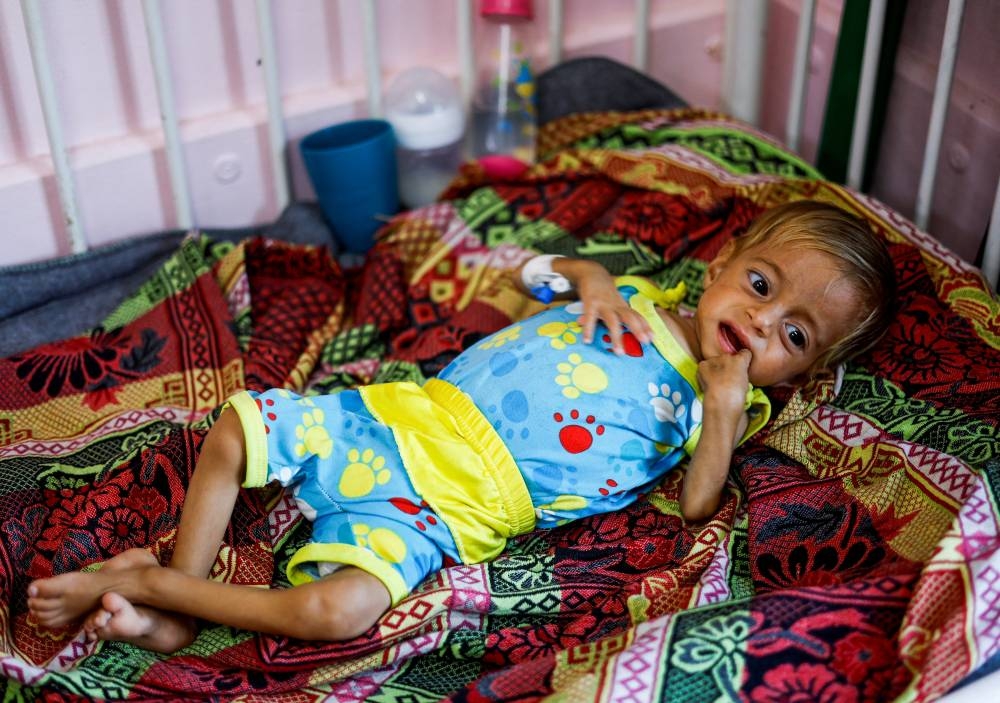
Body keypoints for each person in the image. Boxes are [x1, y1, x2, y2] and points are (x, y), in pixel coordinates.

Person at [27, 200, 896, 653]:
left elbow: (701, 504)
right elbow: (530, 270)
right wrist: (588, 273)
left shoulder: (726, 406)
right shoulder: (626, 295)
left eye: (793, 334)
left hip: (447, 509)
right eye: (761, 283)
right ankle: (178, 588)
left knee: (337, 612)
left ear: (805, 372)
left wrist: (720, 411)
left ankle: (166, 596)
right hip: (399, 415)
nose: (763, 318)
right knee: (235, 426)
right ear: (720, 264)